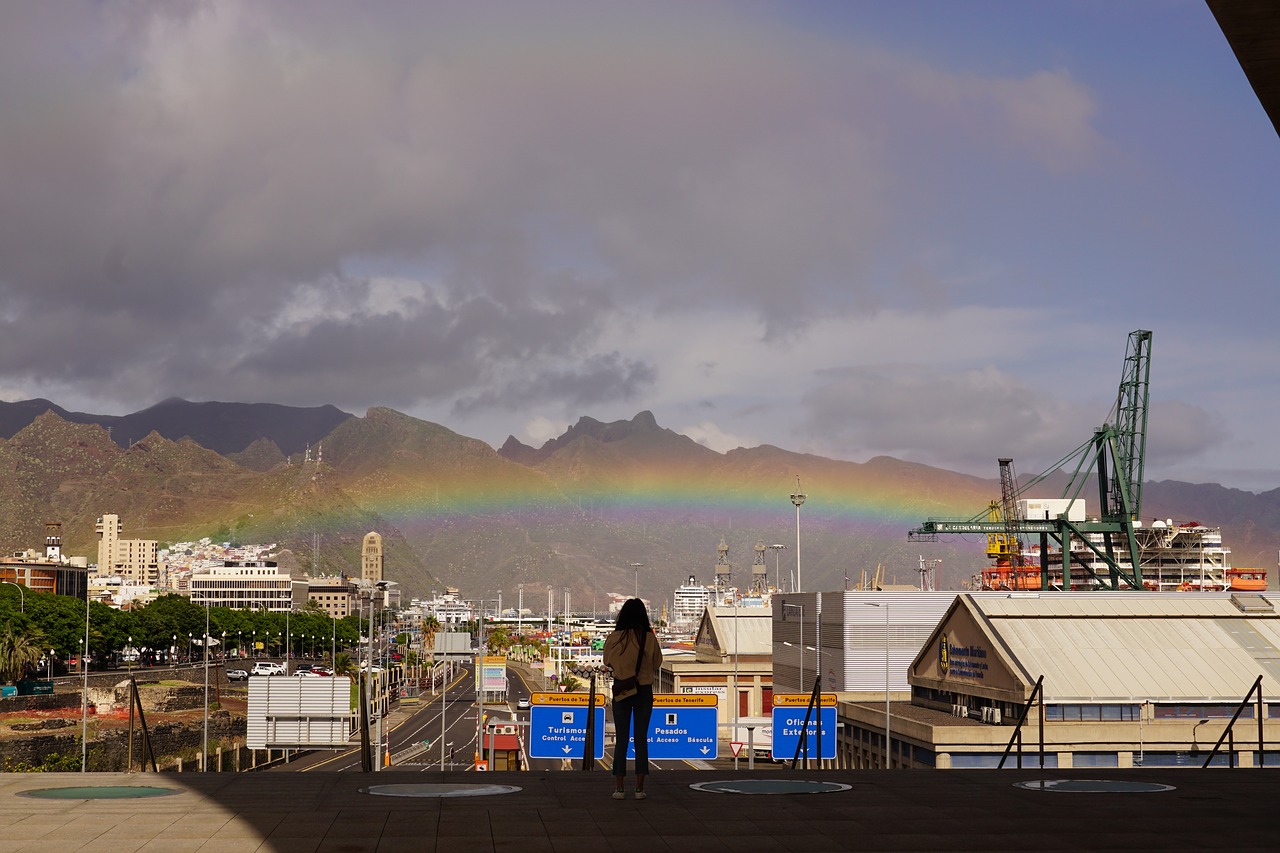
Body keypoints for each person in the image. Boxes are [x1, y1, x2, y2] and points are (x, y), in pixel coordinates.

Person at [603, 598, 662, 800]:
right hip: (644, 691)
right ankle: (639, 788)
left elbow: (606, 661)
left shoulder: (614, 637)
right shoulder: (649, 637)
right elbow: (658, 662)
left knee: (621, 740)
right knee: (641, 739)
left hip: (622, 691)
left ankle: (619, 788)